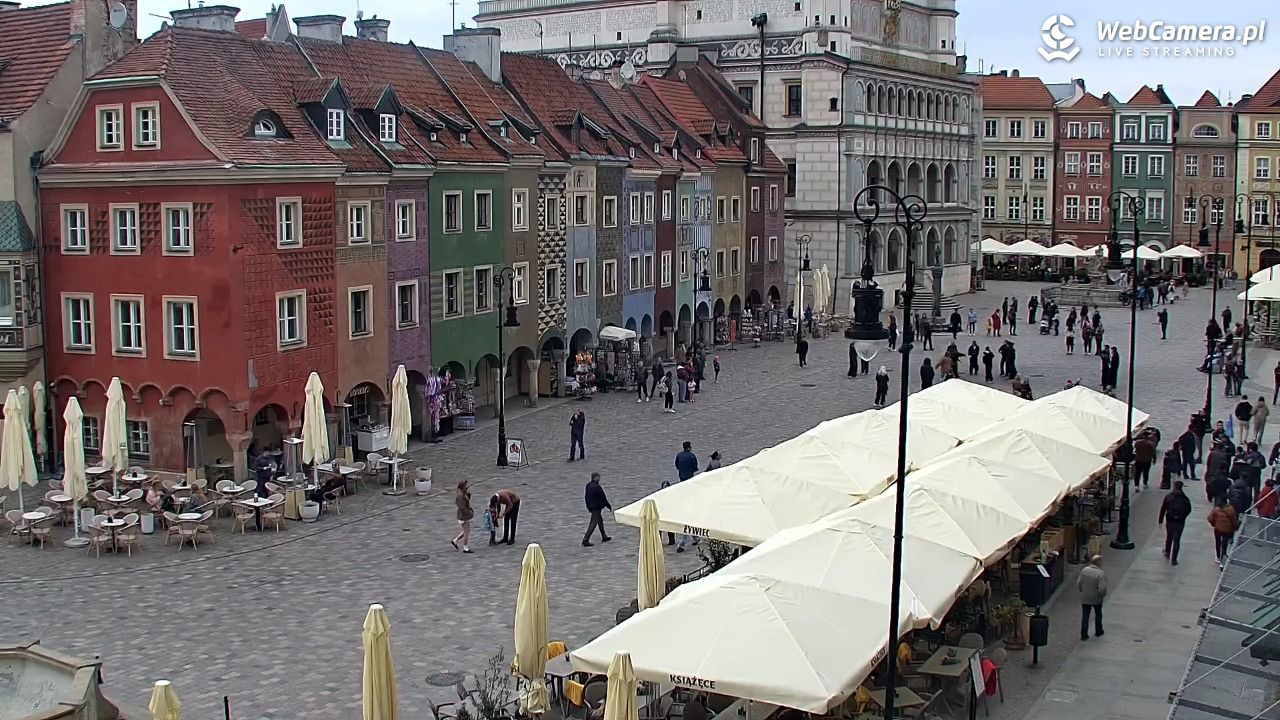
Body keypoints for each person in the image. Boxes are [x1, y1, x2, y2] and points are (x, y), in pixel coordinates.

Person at [1159, 481, 1193, 565]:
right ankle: (1174, 559)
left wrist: (1160, 520)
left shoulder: (1168, 497)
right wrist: (1183, 516)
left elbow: (1163, 508)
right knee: (1177, 540)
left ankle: (1167, 551)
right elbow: (1189, 509)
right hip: (1180, 522)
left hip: (1170, 520)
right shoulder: (1185, 498)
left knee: (1169, 536)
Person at [674, 441, 700, 550]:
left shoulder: (679, 456)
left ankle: (693, 537)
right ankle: (694, 537)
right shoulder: (692, 456)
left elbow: (676, 465)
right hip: (690, 479)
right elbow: (695, 467)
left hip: (682, 478)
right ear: (689, 448)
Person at [1077, 555, 1107, 640]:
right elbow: (1102, 588)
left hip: (1085, 597)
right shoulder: (1100, 573)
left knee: (1085, 615)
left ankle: (1084, 634)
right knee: (1098, 614)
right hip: (1096, 598)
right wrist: (1102, 595)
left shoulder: (1084, 570)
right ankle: (1098, 630)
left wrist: (1082, 590)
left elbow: (1079, 583)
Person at [581, 472, 612, 547]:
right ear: (595, 477)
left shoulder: (588, 485)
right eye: (598, 477)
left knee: (599, 521)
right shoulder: (596, 487)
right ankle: (585, 539)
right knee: (593, 523)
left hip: (592, 506)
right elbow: (602, 497)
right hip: (596, 507)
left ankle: (604, 536)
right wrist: (608, 505)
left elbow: (586, 497)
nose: (599, 478)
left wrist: (588, 506)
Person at [1209, 496, 1239, 564]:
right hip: (1227, 529)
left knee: (1218, 542)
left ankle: (1218, 556)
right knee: (1224, 543)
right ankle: (1224, 555)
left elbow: (1210, 518)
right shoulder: (1231, 509)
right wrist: (1235, 527)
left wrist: (1214, 524)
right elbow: (1234, 520)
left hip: (1218, 529)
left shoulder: (1216, 509)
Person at [452, 480, 474, 553]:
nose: (467, 487)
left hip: (464, 515)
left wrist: (468, 495)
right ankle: (465, 548)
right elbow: (462, 507)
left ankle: (455, 541)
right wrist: (470, 513)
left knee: (466, 531)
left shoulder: (463, 494)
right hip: (463, 516)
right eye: (465, 486)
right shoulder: (460, 496)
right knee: (466, 532)